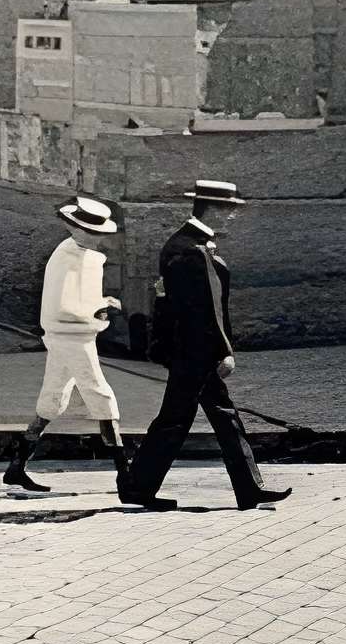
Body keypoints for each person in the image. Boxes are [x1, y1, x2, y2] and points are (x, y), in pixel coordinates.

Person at [122, 180, 289, 512]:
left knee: (210, 418)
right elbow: (206, 311)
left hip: (188, 351)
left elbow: (172, 302)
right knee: (178, 420)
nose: (230, 218)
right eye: (227, 211)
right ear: (212, 209)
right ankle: (139, 487)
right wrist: (224, 351)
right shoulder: (192, 250)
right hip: (196, 353)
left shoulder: (182, 244)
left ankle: (247, 489)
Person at [8, 195, 127, 492]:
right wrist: (100, 309)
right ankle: (125, 472)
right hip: (71, 335)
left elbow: (80, 302)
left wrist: (100, 305)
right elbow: (63, 305)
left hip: (74, 333)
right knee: (100, 394)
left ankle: (16, 466)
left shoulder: (85, 256)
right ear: (79, 230)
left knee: (53, 398)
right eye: (94, 233)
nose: (99, 239)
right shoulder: (68, 257)